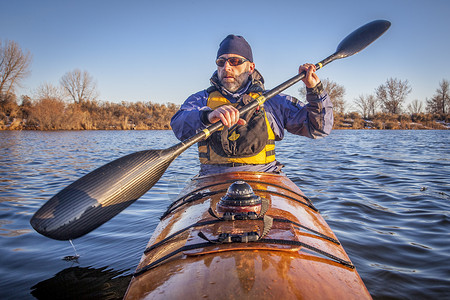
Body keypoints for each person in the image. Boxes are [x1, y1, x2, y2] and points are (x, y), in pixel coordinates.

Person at [171, 34, 333, 176]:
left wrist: (315, 90)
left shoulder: (273, 100)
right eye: (221, 62)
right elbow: (179, 125)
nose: (226, 67)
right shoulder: (201, 99)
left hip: (264, 176)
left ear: (250, 68)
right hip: (212, 178)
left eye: (234, 61)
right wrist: (208, 116)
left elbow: (319, 129)